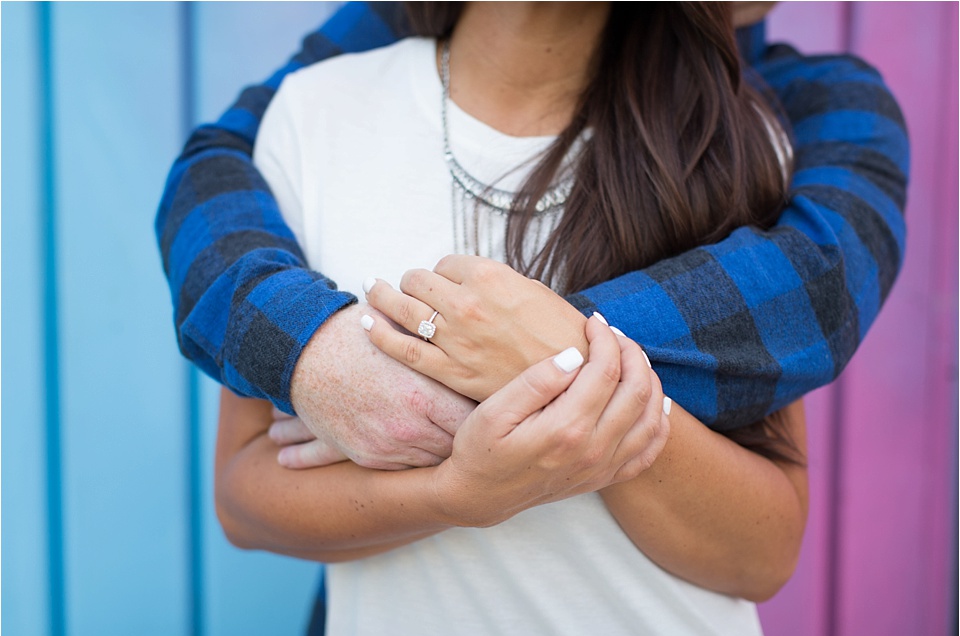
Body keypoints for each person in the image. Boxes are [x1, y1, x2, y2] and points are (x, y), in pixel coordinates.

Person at [216, 3, 812, 636]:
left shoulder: (728, 142)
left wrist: (554, 364)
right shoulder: (315, 116)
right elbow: (244, 500)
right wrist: (455, 495)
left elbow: (762, 556)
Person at [156, 1, 907, 472]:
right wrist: (309, 348)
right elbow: (219, 162)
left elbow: (817, 287)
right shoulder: (373, 69)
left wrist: (504, 363)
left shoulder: (789, 118)